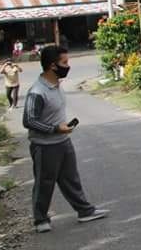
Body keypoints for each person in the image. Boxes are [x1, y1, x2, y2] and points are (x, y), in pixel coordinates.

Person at [23, 45, 108, 233]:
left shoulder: (56, 85)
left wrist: (62, 129)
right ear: (53, 66)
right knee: (44, 182)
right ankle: (40, 220)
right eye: (64, 63)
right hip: (44, 146)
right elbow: (29, 120)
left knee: (71, 179)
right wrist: (54, 128)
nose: (67, 66)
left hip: (62, 142)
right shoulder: (37, 91)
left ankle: (85, 211)